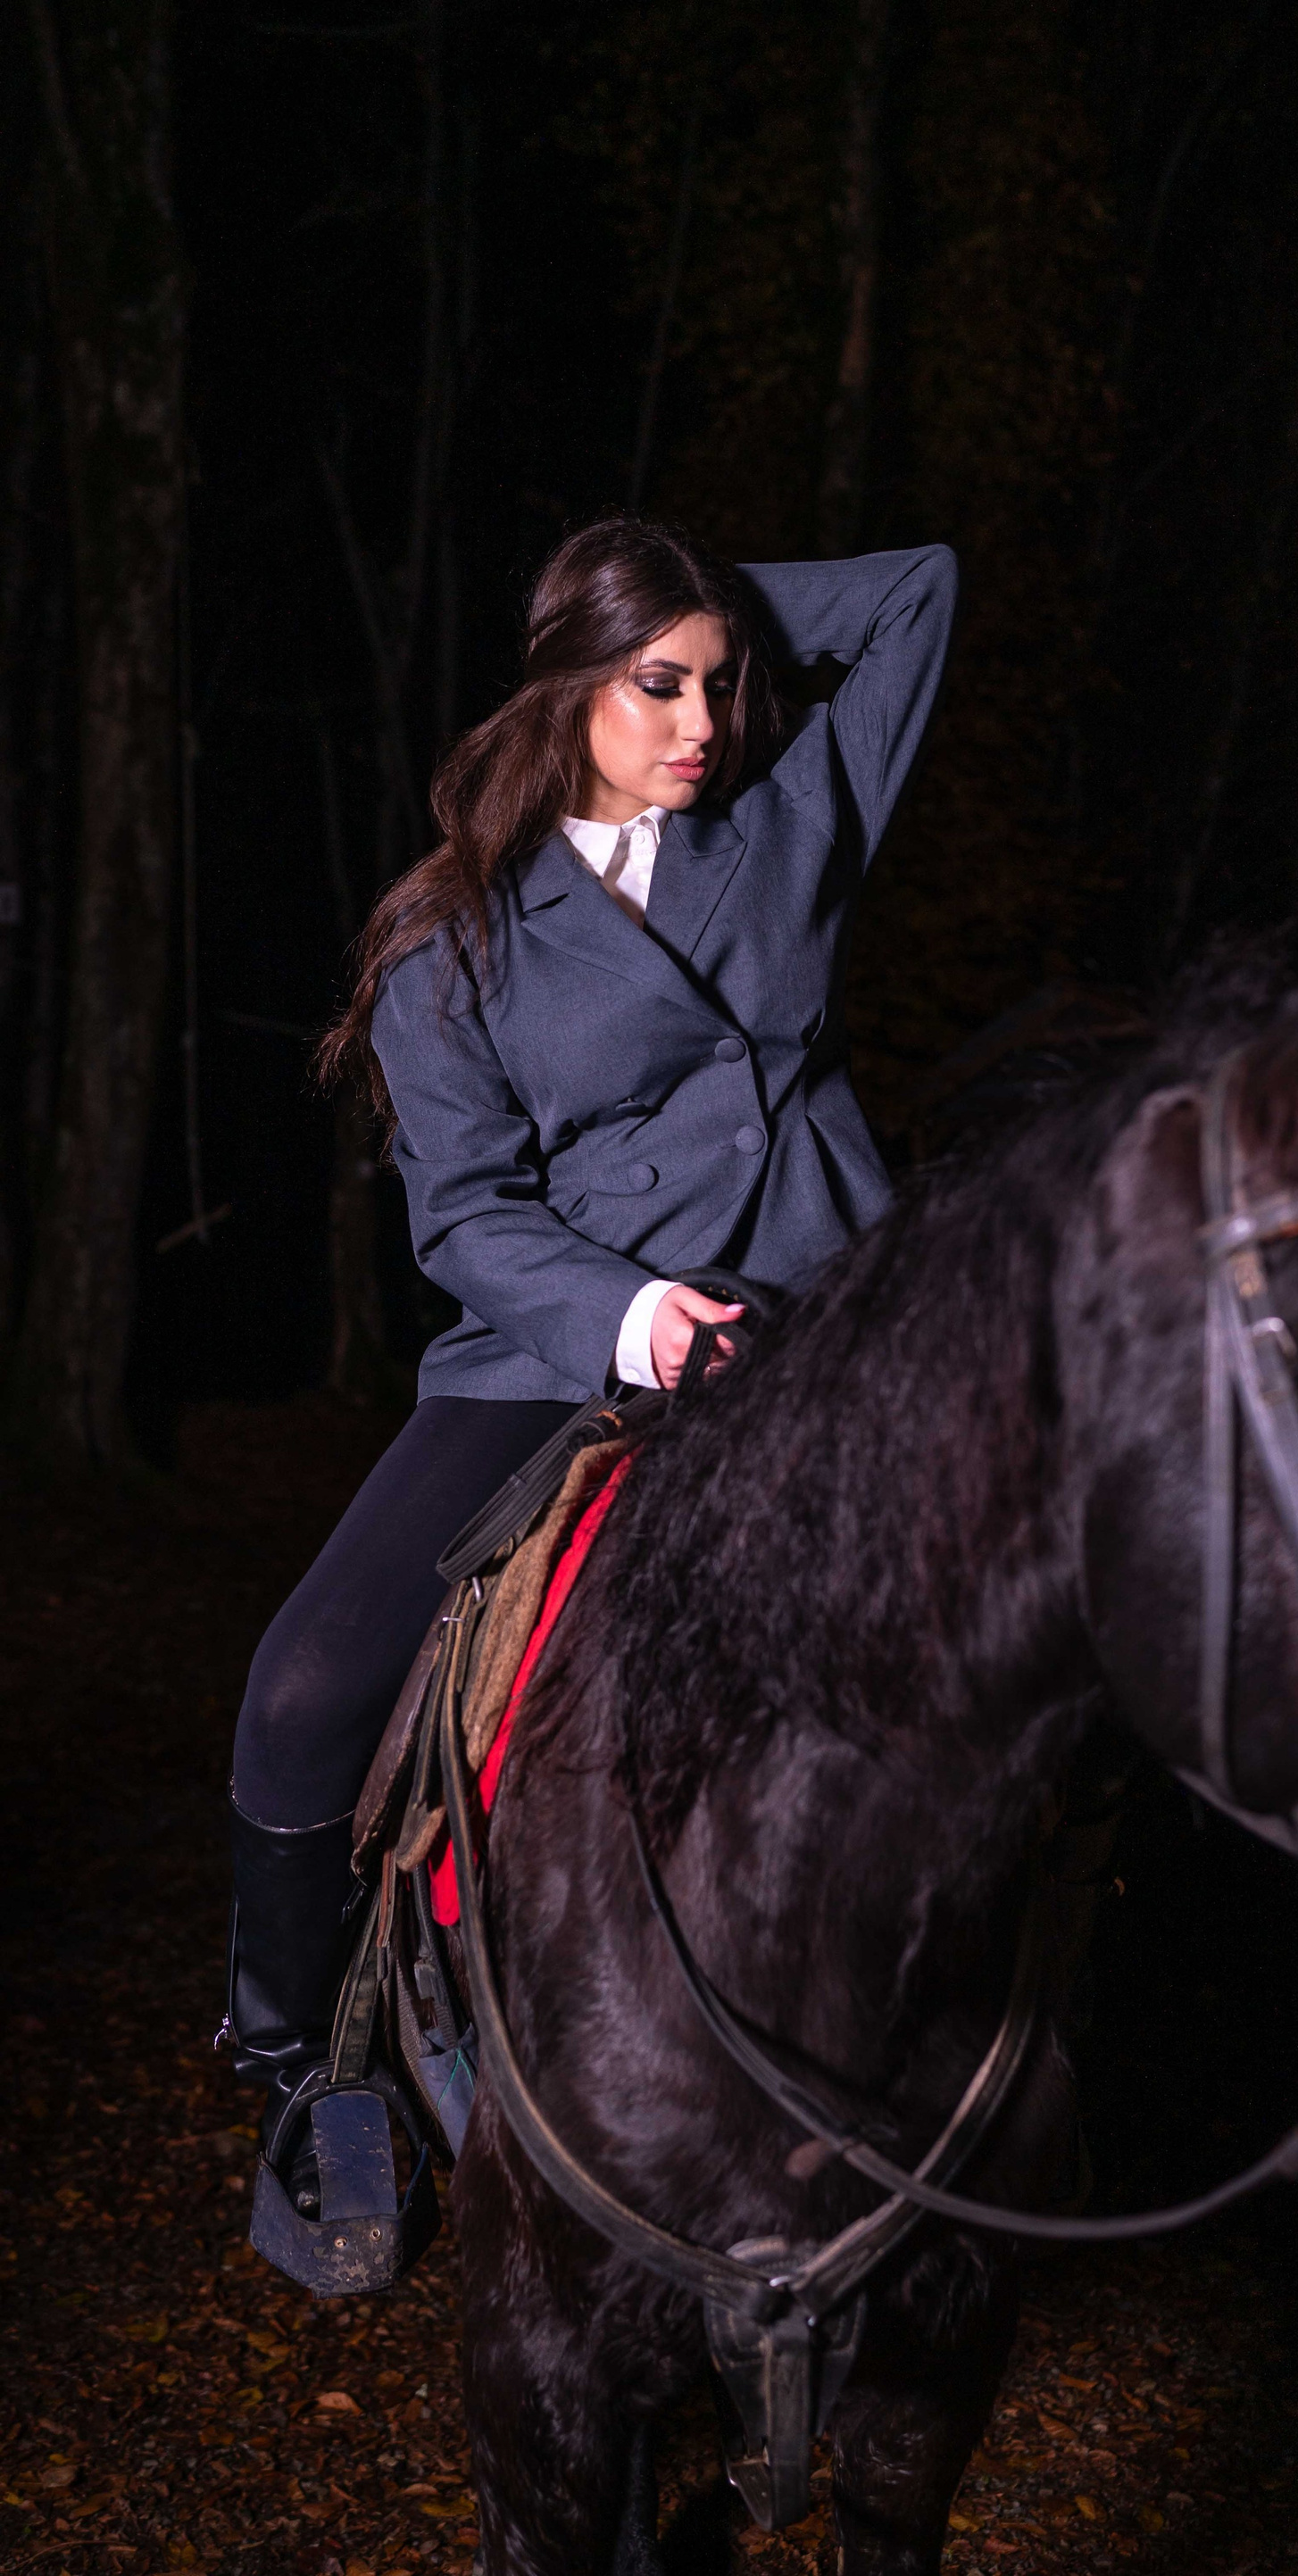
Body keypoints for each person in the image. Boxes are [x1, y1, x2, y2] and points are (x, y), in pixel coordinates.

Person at [219, 516, 960, 2174]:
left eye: (720, 682)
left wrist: (687, 599)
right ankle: (299, 2070)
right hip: (560, 1341)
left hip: (824, 1312)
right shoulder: (455, 933)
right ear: (567, 685)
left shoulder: (791, 818)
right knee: (303, 1686)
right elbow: (466, 1211)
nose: (705, 722)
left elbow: (922, 589)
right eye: (657, 685)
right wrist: (631, 1312)